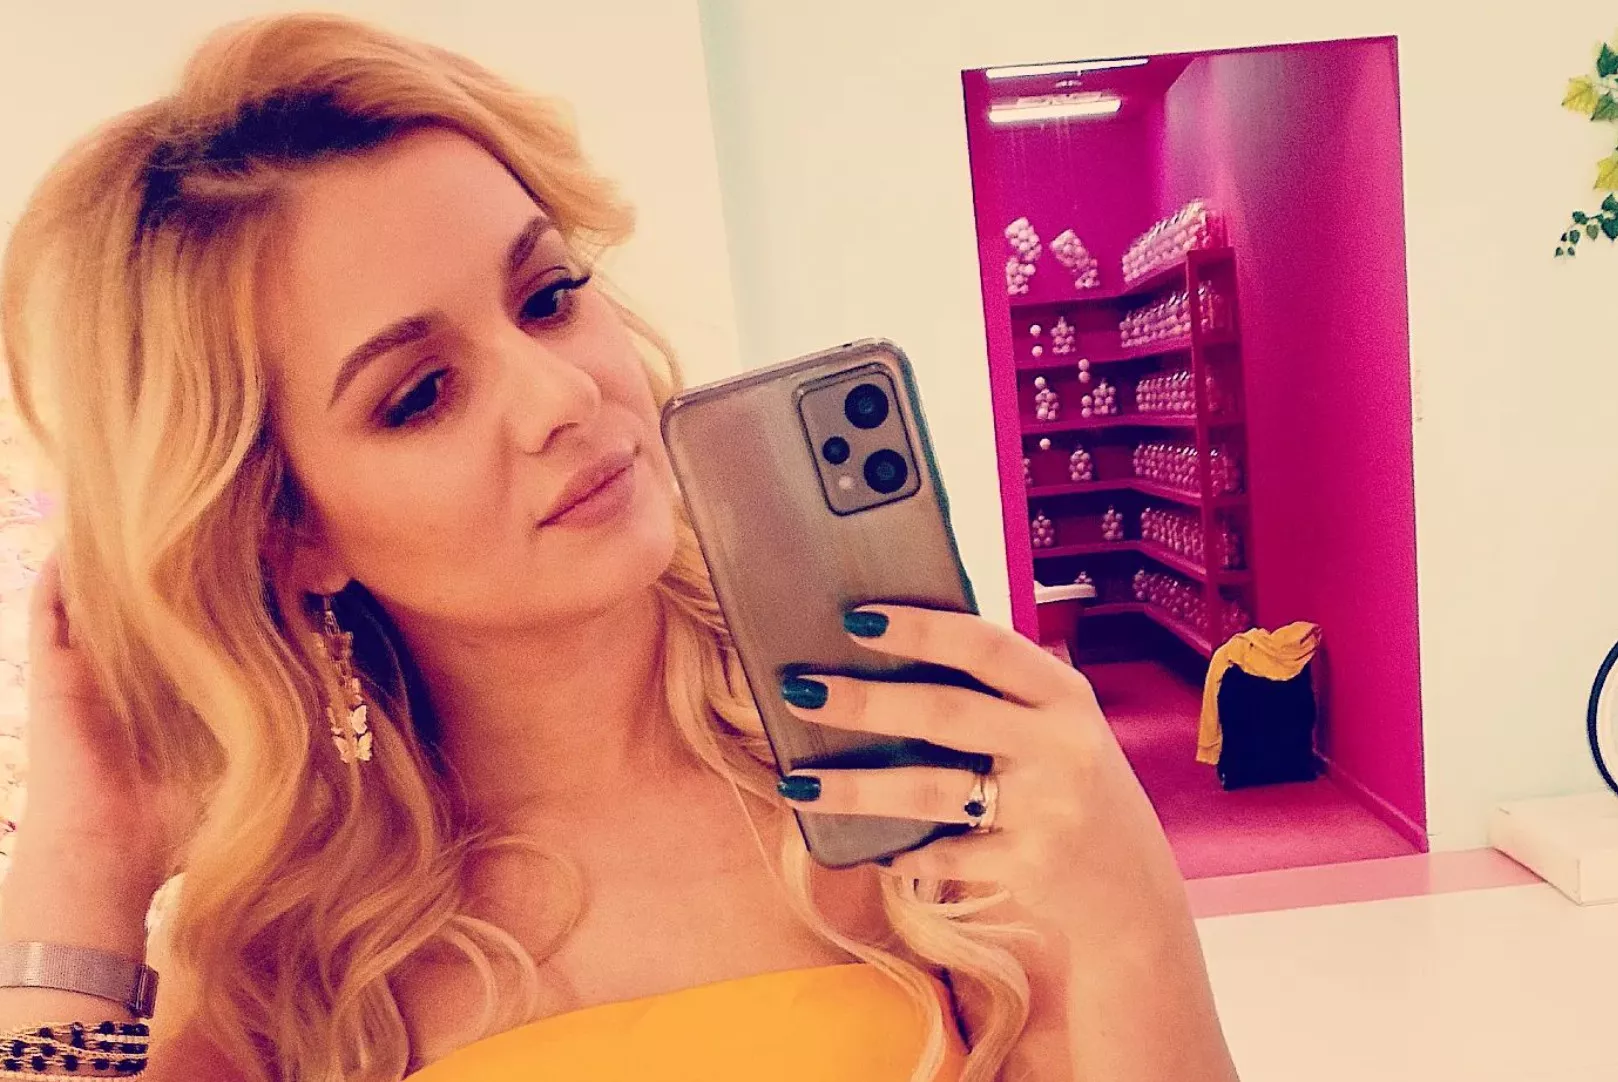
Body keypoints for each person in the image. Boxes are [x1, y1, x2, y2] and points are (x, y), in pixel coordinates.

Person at [0, 13, 1238, 1082]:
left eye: (548, 295)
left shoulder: (916, 783)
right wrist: (78, 867)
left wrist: (1129, 913)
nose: (562, 393)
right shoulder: (288, 956)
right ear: (290, 527)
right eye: (420, 392)